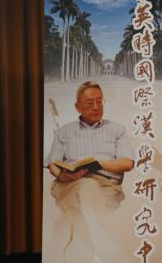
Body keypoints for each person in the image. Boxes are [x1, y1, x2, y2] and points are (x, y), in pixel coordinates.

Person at [44, 81, 134, 262]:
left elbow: (128, 163)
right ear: (77, 106)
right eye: (90, 103)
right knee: (86, 185)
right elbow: (52, 163)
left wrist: (99, 164)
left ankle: (84, 243)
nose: (96, 107)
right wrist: (63, 175)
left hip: (107, 187)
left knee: (66, 225)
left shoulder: (117, 130)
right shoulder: (64, 132)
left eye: (100, 101)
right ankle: (107, 246)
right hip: (69, 183)